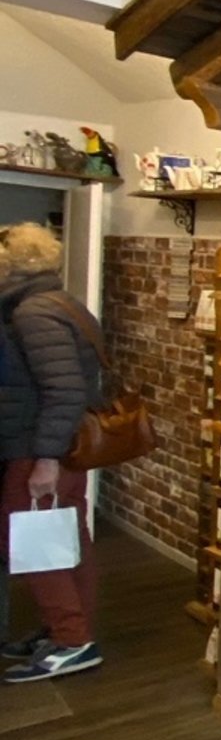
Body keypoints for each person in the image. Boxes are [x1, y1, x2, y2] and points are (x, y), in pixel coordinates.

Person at [0, 223, 104, 682]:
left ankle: (72, 641)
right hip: (59, 446)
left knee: (29, 542)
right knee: (65, 538)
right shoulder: (56, 302)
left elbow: (63, 390)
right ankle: (67, 629)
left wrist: (45, 459)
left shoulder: (33, 314)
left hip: (42, 448)